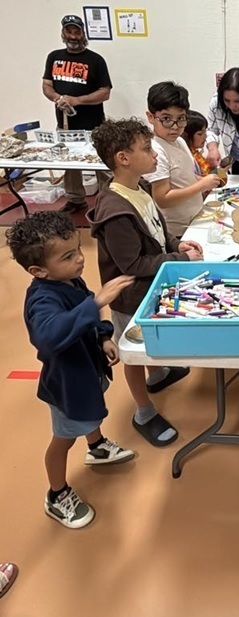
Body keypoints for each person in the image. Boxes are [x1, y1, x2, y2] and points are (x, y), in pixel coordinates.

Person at [5, 211, 135, 529]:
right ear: (38, 270)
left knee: (93, 412)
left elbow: (86, 308)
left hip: (89, 370)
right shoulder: (42, 299)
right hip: (67, 384)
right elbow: (49, 336)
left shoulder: (68, 279)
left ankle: (96, 446)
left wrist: (104, 336)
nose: (79, 259)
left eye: (78, 249)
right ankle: (57, 494)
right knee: (63, 439)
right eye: (68, 256)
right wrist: (96, 304)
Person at [87, 118, 204, 447]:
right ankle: (143, 411)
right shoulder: (115, 209)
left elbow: (156, 227)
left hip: (150, 286)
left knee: (153, 341)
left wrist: (175, 244)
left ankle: (158, 374)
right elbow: (134, 264)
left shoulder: (137, 188)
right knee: (135, 351)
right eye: (147, 149)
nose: (155, 154)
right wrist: (181, 260)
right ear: (123, 158)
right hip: (130, 296)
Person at [42, 15, 112, 213]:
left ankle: (109, 199)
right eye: (69, 31)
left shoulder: (96, 60)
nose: (73, 36)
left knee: (102, 161)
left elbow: (104, 92)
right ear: (63, 33)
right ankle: (75, 199)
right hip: (65, 123)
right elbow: (46, 84)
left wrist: (77, 100)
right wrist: (57, 98)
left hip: (93, 123)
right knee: (70, 163)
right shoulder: (54, 57)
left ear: (83, 33)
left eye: (76, 32)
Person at [144, 82, 222, 237]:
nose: (175, 126)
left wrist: (202, 180)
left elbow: (183, 175)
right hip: (176, 231)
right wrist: (201, 186)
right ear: (151, 117)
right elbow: (163, 199)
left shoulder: (179, 141)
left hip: (193, 220)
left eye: (181, 119)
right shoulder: (156, 151)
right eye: (166, 119)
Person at [182, 111, 212, 178]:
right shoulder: (186, 158)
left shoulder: (196, 153)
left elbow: (210, 176)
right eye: (200, 134)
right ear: (186, 135)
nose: (205, 136)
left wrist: (222, 170)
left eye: (205, 132)